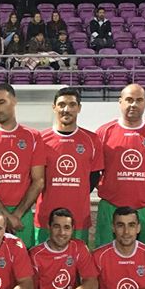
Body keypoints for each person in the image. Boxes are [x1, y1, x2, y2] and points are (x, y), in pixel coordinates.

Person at [95, 84, 145, 250]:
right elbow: (94, 170)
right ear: (120, 102)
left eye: (139, 100)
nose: (133, 104)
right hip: (111, 205)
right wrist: (109, 188)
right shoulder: (104, 132)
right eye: (129, 100)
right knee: (104, 254)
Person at [0, 83, 46, 246]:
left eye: (1, 102)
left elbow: (39, 181)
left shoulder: (33, 136)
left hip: (22, 214)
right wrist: (5, 216)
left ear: (14, 101)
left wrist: (17, 215)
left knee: (22, 259)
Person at [34, 87, 102, 246]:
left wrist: (76, 194)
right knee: (42, 258)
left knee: (77, 259)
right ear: (54, 107)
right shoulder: (40, 139)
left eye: (72, 105)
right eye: (62, 104)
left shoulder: (92, 140)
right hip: (46, 218)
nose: (66, 109)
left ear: (79, 108)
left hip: (78, 217)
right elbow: (34, 178)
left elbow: (94, 176)